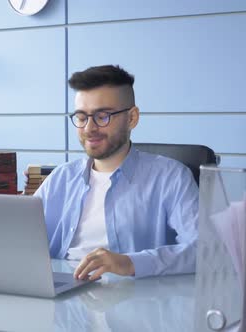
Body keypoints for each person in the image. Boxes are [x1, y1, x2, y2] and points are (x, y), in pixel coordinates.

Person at [34, 65, 199, 280]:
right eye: (82, 117)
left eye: (102, 116)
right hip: (64, 298)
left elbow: (203, 249)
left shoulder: (171, 177)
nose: (89, 128)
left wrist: (131, 262)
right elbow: (20, 240)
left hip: (136, 302)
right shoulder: (60, 178)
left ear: (132, 118)